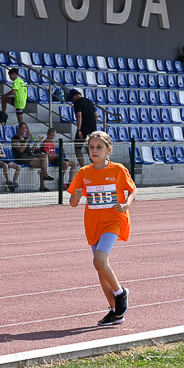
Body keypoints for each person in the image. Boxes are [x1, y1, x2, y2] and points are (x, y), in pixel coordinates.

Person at [67, 130, 136, 327]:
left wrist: (126, 204)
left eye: (99, 147)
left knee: (100, 259)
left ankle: (120, 293)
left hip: (114, 220)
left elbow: (133, 190)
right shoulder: (83, 173)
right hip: (93, 224)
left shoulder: (117, 170)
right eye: (91, 147)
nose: (94, 150)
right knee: (100, 269)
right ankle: (115, 312)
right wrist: (76, 196)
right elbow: (72, 203)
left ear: (109, 150)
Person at [11, 122, 52, 191]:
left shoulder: (25, 138)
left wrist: (36, 142)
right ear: (19, 129)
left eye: (25, 128)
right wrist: (27, 139)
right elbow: (21, 150)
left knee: (44, 156)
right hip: (22, 157)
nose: (24, 129)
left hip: (29, 155)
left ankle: (45, 174)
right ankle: (42, 184)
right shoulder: (15, 138)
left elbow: (31, 150)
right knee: (43, 164)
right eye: (22, 128)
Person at [67, 88, 98, 167]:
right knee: (90, 148)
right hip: (93, 129)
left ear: (74, 97)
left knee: (77, 148)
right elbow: (96, 116)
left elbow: (79, 116)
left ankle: (82, 166)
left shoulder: (77, 102)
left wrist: (79, 129)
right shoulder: (89, 101)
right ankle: (95, 166)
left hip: (83, 128)